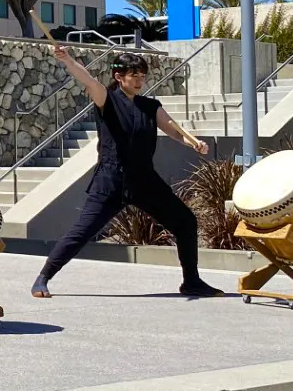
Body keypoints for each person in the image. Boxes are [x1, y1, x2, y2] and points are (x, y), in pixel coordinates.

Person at [31, 49, 222, 299]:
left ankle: (192, 282)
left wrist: (192, 143)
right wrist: (67, 60)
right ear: (119, 76)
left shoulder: (150, 106)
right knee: (81, 232)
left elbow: (173, 130)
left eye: (142, 75)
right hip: (110, 180)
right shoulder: (107, 100)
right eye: (134, 75)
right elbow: (88, 80)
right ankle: (43, 278)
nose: (140, 80)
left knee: (185, 221)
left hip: (144, 180)